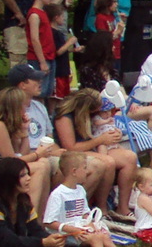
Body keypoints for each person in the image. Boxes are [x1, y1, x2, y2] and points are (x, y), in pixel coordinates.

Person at [44, 151, 140, 247]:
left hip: (81, 229)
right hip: (66, 233)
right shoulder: (58, 194)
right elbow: (49, 222)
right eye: (84, 168)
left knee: (104, 236)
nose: (87, 171)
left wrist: (91, 224)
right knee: (95, 239)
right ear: (74, 171)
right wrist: (71, 229)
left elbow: (85, 213)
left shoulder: (80, 190)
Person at [52, 87, 139, 216]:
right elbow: (71, 147)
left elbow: (102, 125)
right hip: (75, 150)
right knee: (108, 162)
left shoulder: (92, 113)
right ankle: (102, 207)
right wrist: (100, 140)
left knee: (130, 157)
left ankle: (123, 207)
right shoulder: (65, 116)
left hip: (94, 145)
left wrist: (114, 133)